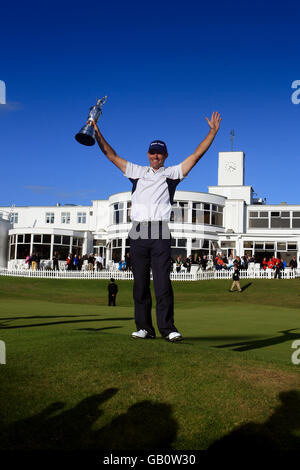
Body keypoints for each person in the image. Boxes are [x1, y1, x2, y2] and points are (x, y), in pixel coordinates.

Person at [91, 111, 221, 342]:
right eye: (153, 152)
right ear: (148, 154)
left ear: (165, 156)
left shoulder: (172, 174)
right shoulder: (137, 173)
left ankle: (168, 328)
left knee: (163, 283)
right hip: (139, 231)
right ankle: (144, 328)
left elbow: (196, 155)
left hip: (160, 231)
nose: (156, 156)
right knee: (140, 283)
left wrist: (212, 132)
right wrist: (96, 129)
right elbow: (111, 155)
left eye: (160, 153)